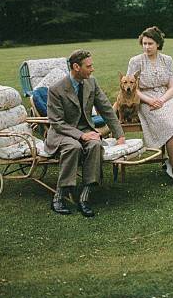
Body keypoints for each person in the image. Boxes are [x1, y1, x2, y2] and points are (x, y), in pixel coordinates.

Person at [45, 49, 125, 217]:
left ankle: (85, 197)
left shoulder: (91, 83)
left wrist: (119, 135)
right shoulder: (56, 90)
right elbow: (57, 122)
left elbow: (106, 109)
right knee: (73, 147)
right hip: (61, 133)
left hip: (85, 131)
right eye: (89, 66)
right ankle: (58, 197)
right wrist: (81, 135)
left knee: (95, 145)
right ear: (76, 67)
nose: (92, 69)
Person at [127, 26, 173, 188]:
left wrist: (162, 100)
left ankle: (170, 163)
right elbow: (132, 88)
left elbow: (172, 87)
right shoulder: (135, 61)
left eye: (150, 43)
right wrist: (150, 101)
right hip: (145, 100)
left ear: (158, 44)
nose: (146, 47)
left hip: (166, 97)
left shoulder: (167, 60)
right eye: (144, 43)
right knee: (170, 127)